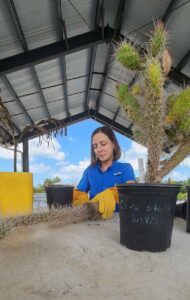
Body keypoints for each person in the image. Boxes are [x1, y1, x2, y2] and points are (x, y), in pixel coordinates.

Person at [72, 125, 135, 219]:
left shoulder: (126, 168)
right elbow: (79, 192)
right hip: (94, 220)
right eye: (95, 146)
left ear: (113, 144)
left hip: (119, 221)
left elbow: (132, 190)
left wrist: (113, 194)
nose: (99, 149)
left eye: (103, 144)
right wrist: (80, 199)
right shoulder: (89, 171)